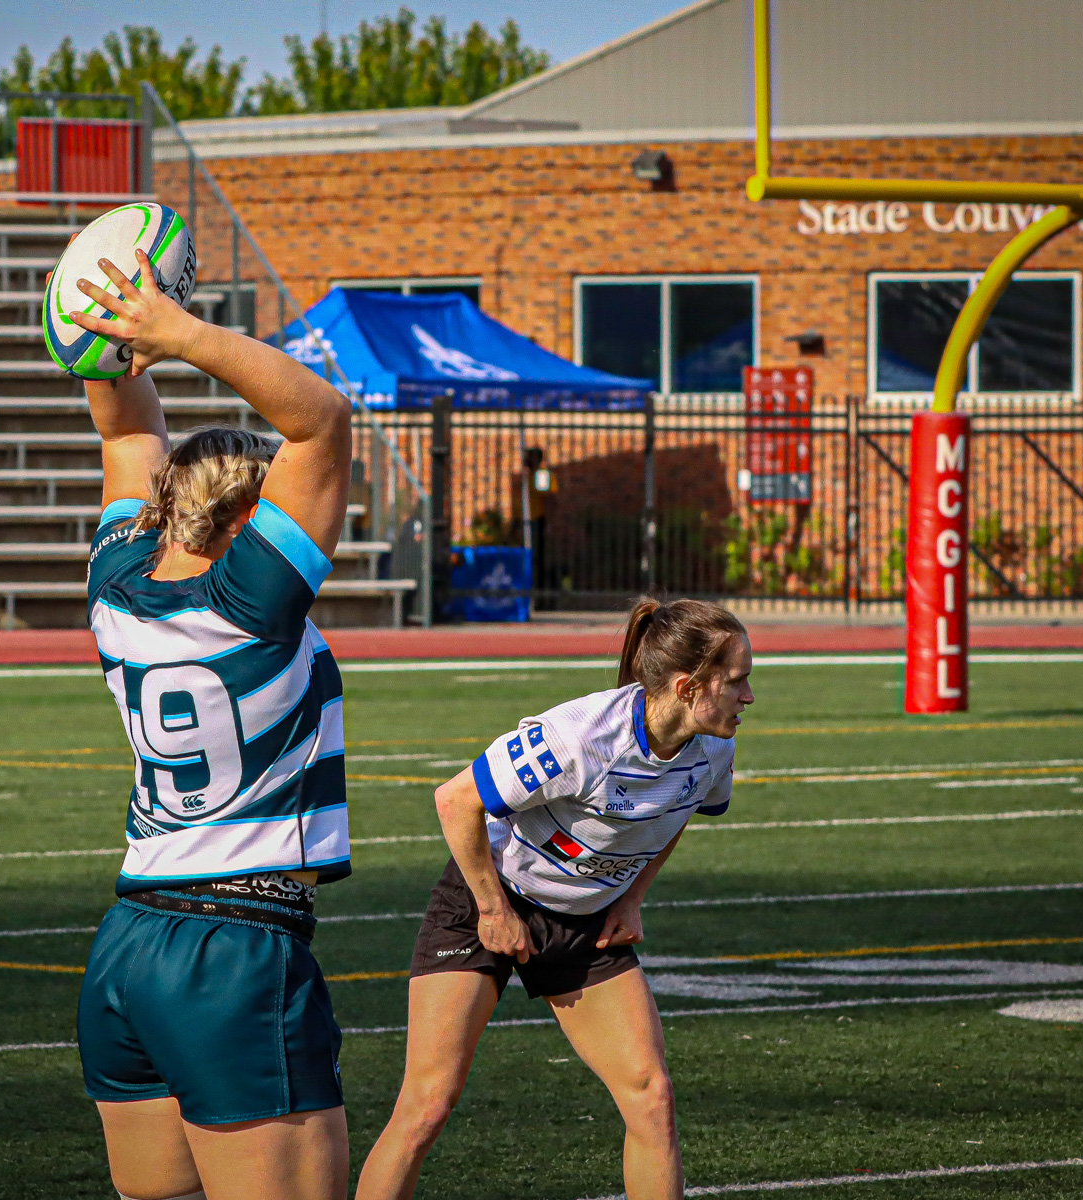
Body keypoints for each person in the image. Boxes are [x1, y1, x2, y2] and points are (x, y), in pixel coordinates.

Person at [68, 250, 354, 1200]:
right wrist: (180, 334)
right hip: (234, 945)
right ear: (247, 518)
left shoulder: (119, 585)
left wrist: (106, 328)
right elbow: (321, 421)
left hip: (130, 943)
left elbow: (125, 432)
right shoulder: (256, 599)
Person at [355, 598, 755, 1200]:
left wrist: (632, 896)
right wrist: (492, 909)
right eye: (737, 680)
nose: (749, 696)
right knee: (427, 1105)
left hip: (587, 921)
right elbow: (455, 800)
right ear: (687, 686)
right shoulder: (580, 737)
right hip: (486, 898)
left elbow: (677, 812)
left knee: (652, 1099)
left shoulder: (714, 745)